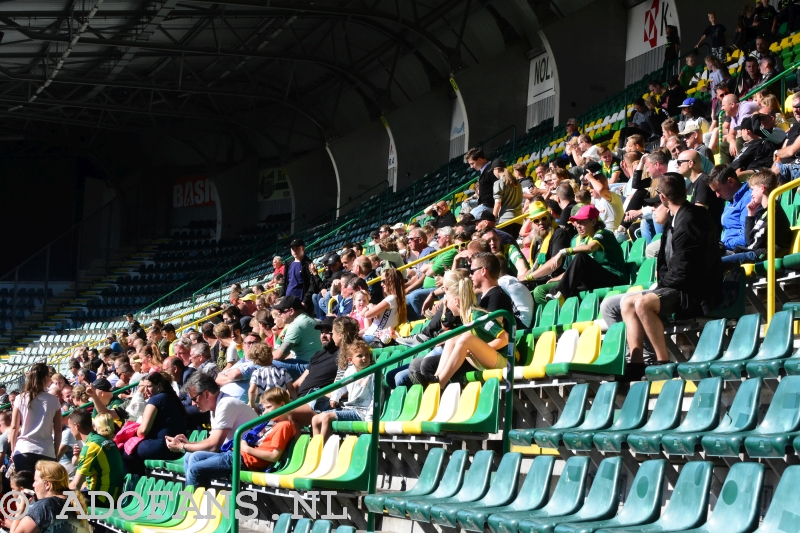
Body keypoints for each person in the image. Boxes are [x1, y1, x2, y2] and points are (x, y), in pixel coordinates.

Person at [621, 173, 723, 365]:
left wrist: (659, 287)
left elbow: (682, 272)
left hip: (698, 291)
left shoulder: (689, 221)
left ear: (663, 197)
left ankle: (662, 361)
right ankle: (636, 362)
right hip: (683, 285)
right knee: (627, 303)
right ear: (684, 192)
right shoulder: (676, 218)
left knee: (644, 304)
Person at [184, 387, 296, 487]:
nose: (265, 412)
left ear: (282, 405)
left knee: (195, 470)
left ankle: (193, 506)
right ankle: (198, 500)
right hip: (237, 455)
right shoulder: (275, 425)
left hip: (243, 461)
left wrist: (247, 448)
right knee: (195, 457)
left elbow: (273, 456)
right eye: (264, 408)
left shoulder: (284, 426)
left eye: (269, 407)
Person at [168, 372, 256, 485]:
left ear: (206, 394)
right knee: (190, 456)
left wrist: (182, 447)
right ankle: (199, 498)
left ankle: (193, 500)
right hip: (231, 453)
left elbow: (214, 445)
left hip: (245, 456)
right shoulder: (216, 405)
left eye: (194, 399)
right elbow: (212, 441)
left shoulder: (226, 404)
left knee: (194, 466)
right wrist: (188, 444)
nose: (193, 404)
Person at [432, 277, 510, 387]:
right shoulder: (467, 318)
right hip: (491, 361)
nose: (447, 305)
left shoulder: (477, 316)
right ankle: (437, 377)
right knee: (452, 337)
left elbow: (505, 338)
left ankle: (441, 383)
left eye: (447, 302)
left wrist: (481, 349)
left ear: (456, 301)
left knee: (465, 338)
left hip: (506, 361)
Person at [546, 205, 627, 302]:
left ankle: (561, 293)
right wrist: (558, 278)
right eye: (577, 222)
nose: (578, 226)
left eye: (582, 222)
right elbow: (577, 268)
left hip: (614, 278)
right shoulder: (586, 238)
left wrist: (563, 252)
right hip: (599, 278)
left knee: (581, 256)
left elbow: (590, 248)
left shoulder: (603, 233)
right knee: (553, 289)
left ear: (593, 221)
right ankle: (561, 299)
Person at [722, 170, 793, 265]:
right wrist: (750, 215)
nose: (751, 194)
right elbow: (749, 240)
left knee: (720, 264)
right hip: (757, 251)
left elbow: (754, 243)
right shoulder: (761, 212)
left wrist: (738, 251)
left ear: (762, 188)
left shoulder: (773, 210)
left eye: (753, 189)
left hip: (765, 253)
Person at [311, 340, 374, 442]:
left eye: (367, 355)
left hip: (362, 412)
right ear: (350, 360)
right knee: (315, 419)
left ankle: (323, 451)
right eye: (360, 356)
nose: (364, 358)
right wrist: (335, 397)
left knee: (327, 417)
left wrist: (370, 418)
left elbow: (377, 397)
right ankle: (315, 451)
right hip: (349, 409)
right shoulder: (349, 372)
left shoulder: (373, 374)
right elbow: (341, 386)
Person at [8, 364, 61, 473]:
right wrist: (55, 452)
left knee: (25, 488)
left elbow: (14, 427)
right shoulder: (54, 400)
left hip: (23, 450)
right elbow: (58, 430)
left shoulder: (20, 398)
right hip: (46, 451)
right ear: (46, 377)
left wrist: (13, 450)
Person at [12, 461, 91, 533]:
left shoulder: (44, 507)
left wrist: (20, 511)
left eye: (36, 481)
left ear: (47, 485)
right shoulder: (75, 504)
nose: (33, 485)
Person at [67, 410, 124, 504]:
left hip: (102, 499)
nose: (71, 432)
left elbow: (75, 485)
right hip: (111, 495)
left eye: (70, 427)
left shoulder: (91, 446)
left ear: (77, 426)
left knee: (57, 502)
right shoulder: (102, 439)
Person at [522, 201, 573, 304]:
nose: (540, 222)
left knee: (537, 291)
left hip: (556, 278)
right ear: (532, 223)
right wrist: (521, 277)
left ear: (549, 217)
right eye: (536, 220)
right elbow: (534, 269)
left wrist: (529, 277)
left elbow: (555, 264)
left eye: (543, 218)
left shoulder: (559, 234)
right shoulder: (537, 240)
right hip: (540, 279)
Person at [271, 295, 323, 380]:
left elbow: (278, 356)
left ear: (291, 311)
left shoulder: (296, 325)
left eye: (281, 311)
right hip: (315, 363)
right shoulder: (310, 319)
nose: (279, 314)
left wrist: (260, 359)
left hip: (308, 366)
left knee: (265, 364)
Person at [676, 150, 725, 237]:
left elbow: (699, 214)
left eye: (679, 162)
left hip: (705, 236)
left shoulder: (703, 182)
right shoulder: (691, 184)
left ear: (690, 163)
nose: (677, 166)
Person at [362, 268, 407, 347]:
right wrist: (371, 306)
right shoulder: (398, 299)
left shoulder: (391, 298)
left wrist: (370, 306)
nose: (381, 284)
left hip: (373, 337)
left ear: (391, 281)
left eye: (383, 281)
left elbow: (367, 315)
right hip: (376, 338)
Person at [247, 343, 294, 410]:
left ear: (255, 360)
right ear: (271, 355)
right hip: (282, 404)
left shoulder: (256, 373)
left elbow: (251, 391)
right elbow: (291, 388)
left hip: (267, 406)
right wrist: (296, 400)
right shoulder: (282, 370)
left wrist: (252, 406)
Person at [584, 162, 624, 230]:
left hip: (616, 235)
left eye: (592, 187)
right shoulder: (596, 199)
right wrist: (584, 183)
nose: (590, 190)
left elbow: (601, 190)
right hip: (603, 233)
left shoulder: (613, 195)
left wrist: (591, 178)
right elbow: (580, 199)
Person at [491, 159, 524, 238]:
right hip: (518, 220)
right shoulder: (518, 183)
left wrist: (492, 219)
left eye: (493, 170)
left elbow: (497, 203)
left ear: (497, 169)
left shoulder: (498, 183)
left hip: (505, 220)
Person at [282, 238, 317, 311]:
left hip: (300, 301)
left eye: (297, 248)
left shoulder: (308, 264)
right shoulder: (288, 263)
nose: (294, 251)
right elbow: (285, 281)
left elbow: (312, 284)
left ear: (303, 248)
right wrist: (281, 296)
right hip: (288, 299)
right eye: (292, 248)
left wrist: (305, 301)